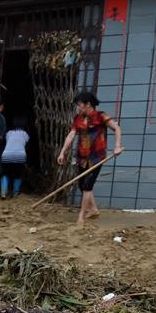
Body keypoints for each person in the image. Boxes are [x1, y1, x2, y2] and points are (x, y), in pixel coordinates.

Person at [57, 91, 124, 224]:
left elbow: (117, 128)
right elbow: (71, 135)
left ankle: (81, 216)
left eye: (79, 104)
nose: (78, 107)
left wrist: (117, 146)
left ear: (88, 104)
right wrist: (62, 152)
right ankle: (93, 209)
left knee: (88, 185)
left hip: (97, 158)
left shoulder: (101, 116)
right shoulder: (78, 119)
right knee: (82, 185)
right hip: (82, 157)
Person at [0, 116, 29, 198]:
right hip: (20, 156)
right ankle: (15, 192)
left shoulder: (8, 133)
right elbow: (26, 145)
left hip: (6, 155)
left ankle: (3, 192)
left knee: (5, 173)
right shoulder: (25, 134)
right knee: (18, 174)